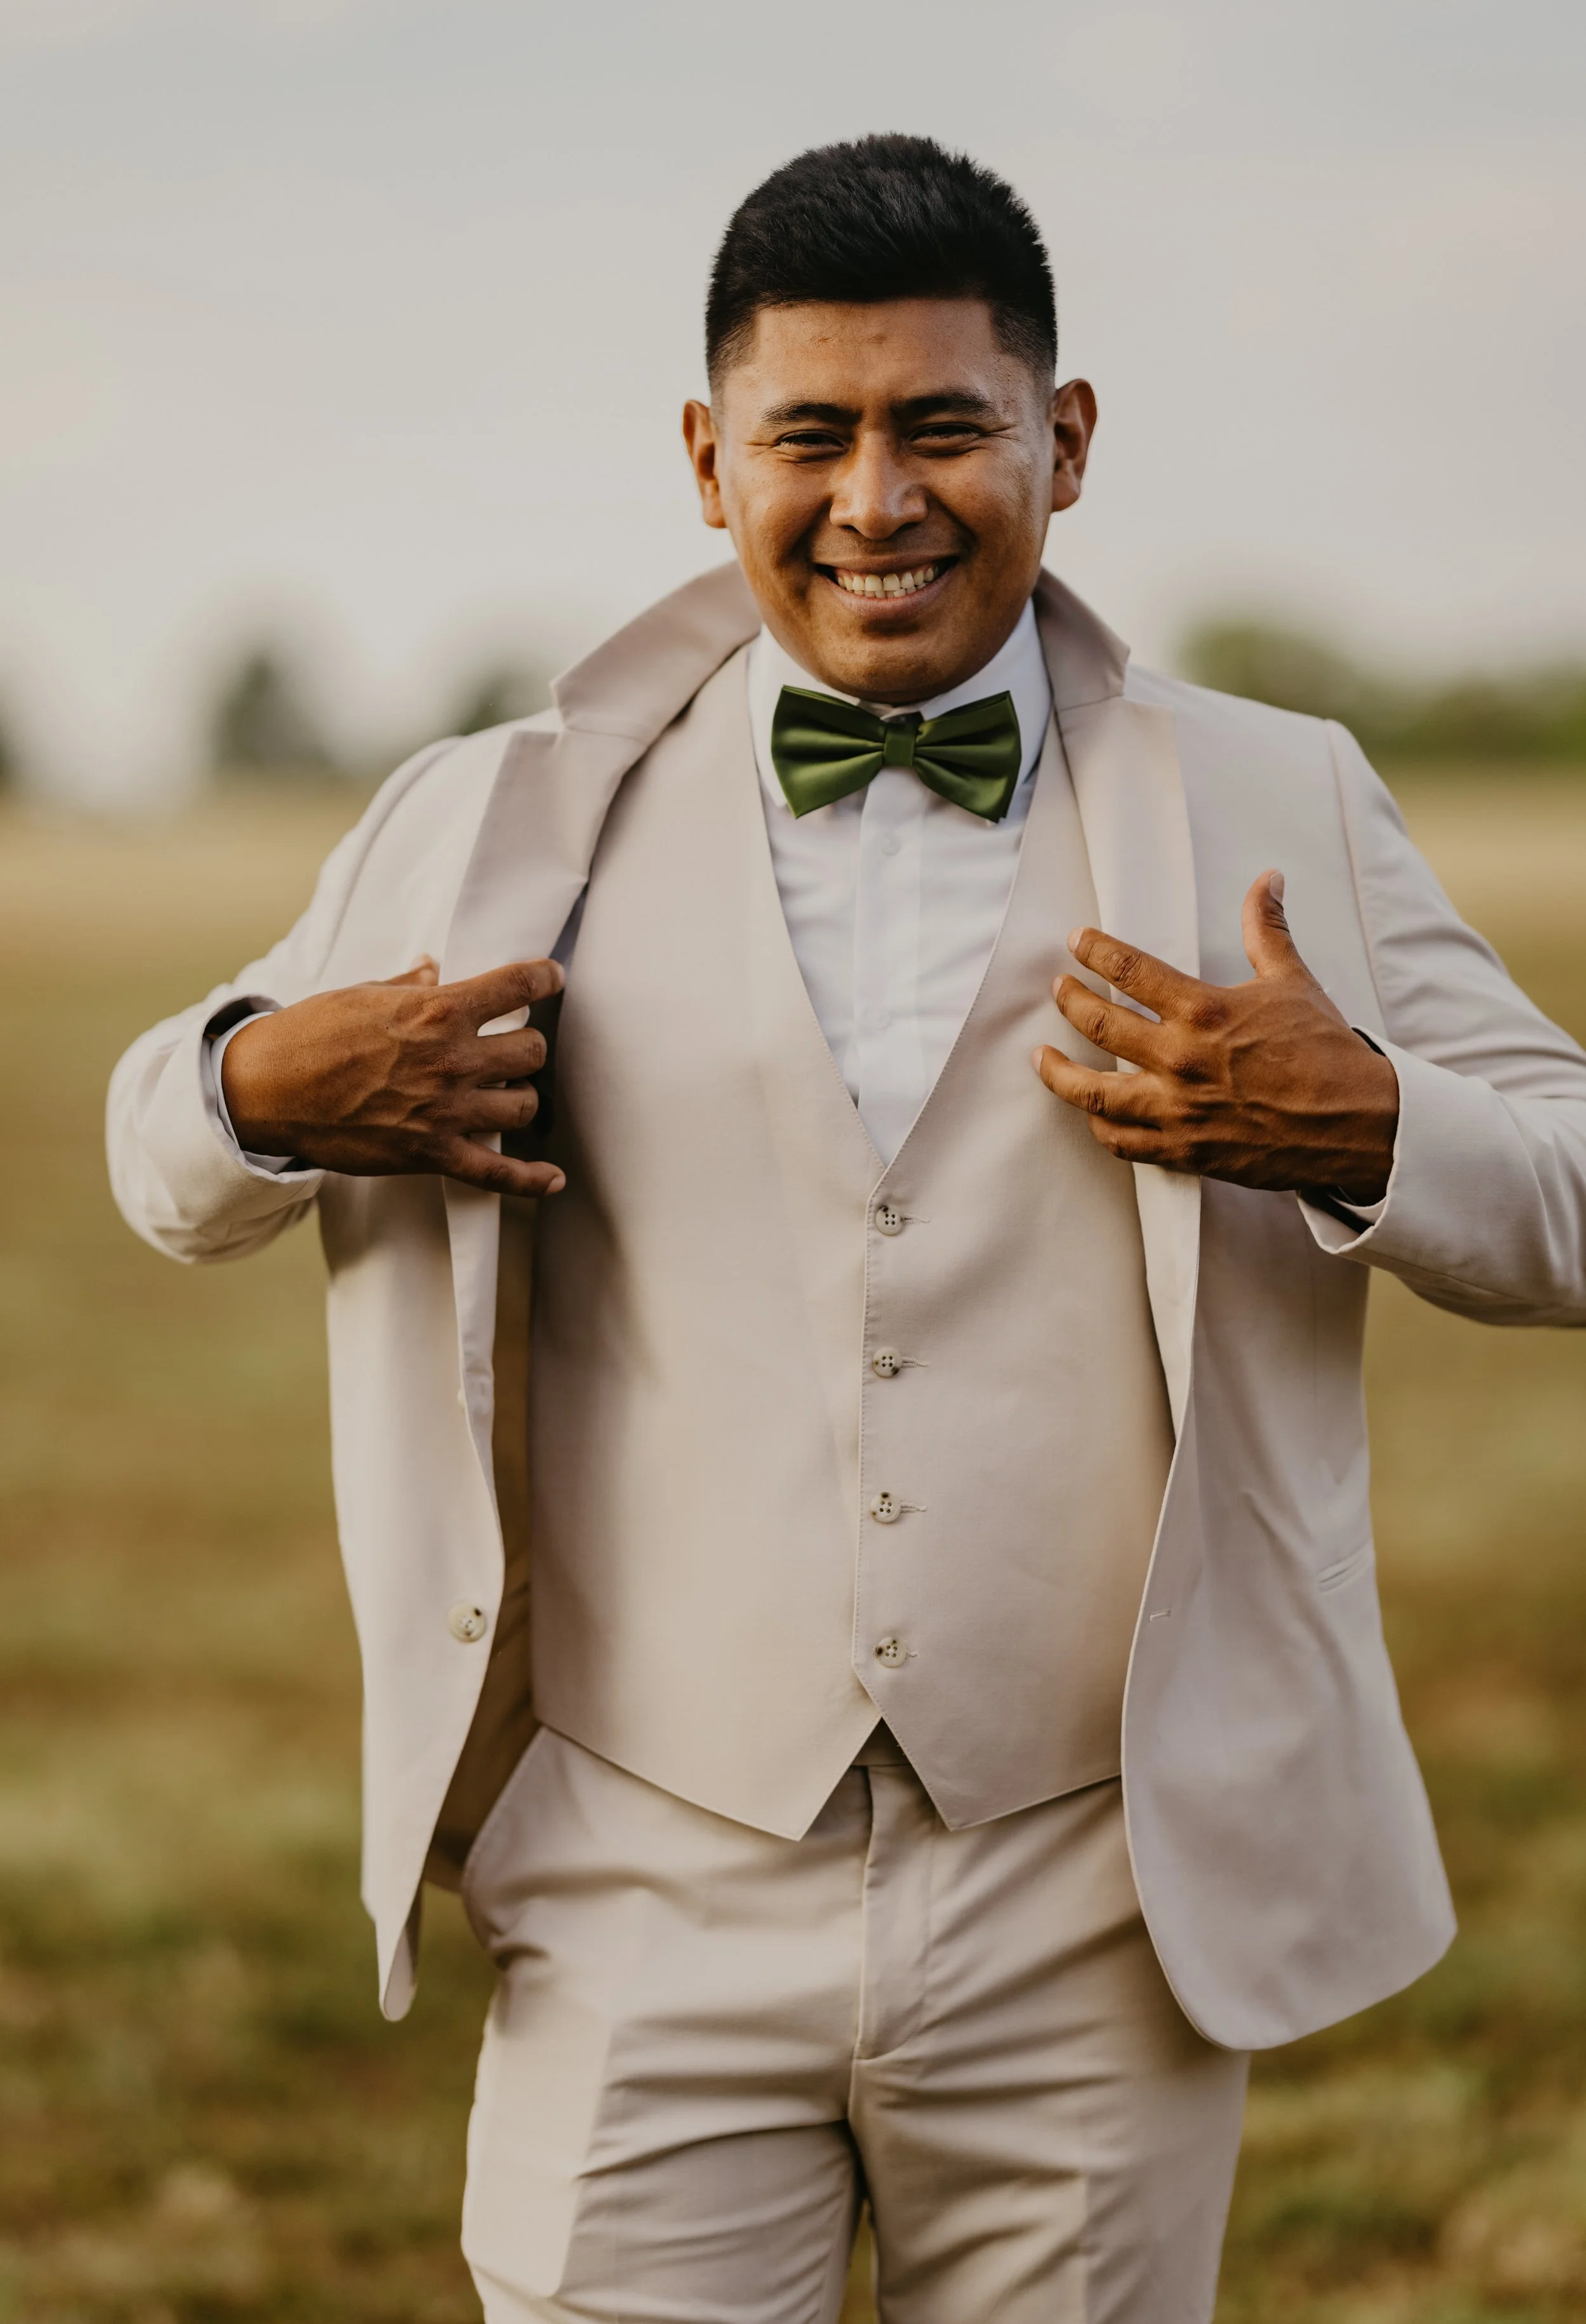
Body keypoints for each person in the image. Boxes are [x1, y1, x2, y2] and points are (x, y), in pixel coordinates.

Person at [107, 135, 1586, 2324]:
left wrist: (1364, 1119)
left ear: (1060, 443)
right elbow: (160, 1147)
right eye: (809, 433)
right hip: (636, 1883)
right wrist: (270, 1089)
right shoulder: (490, 814)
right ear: (709, 461)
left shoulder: (1279, 800)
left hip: (1102, 1907)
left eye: (942, 426)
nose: (874, 496)